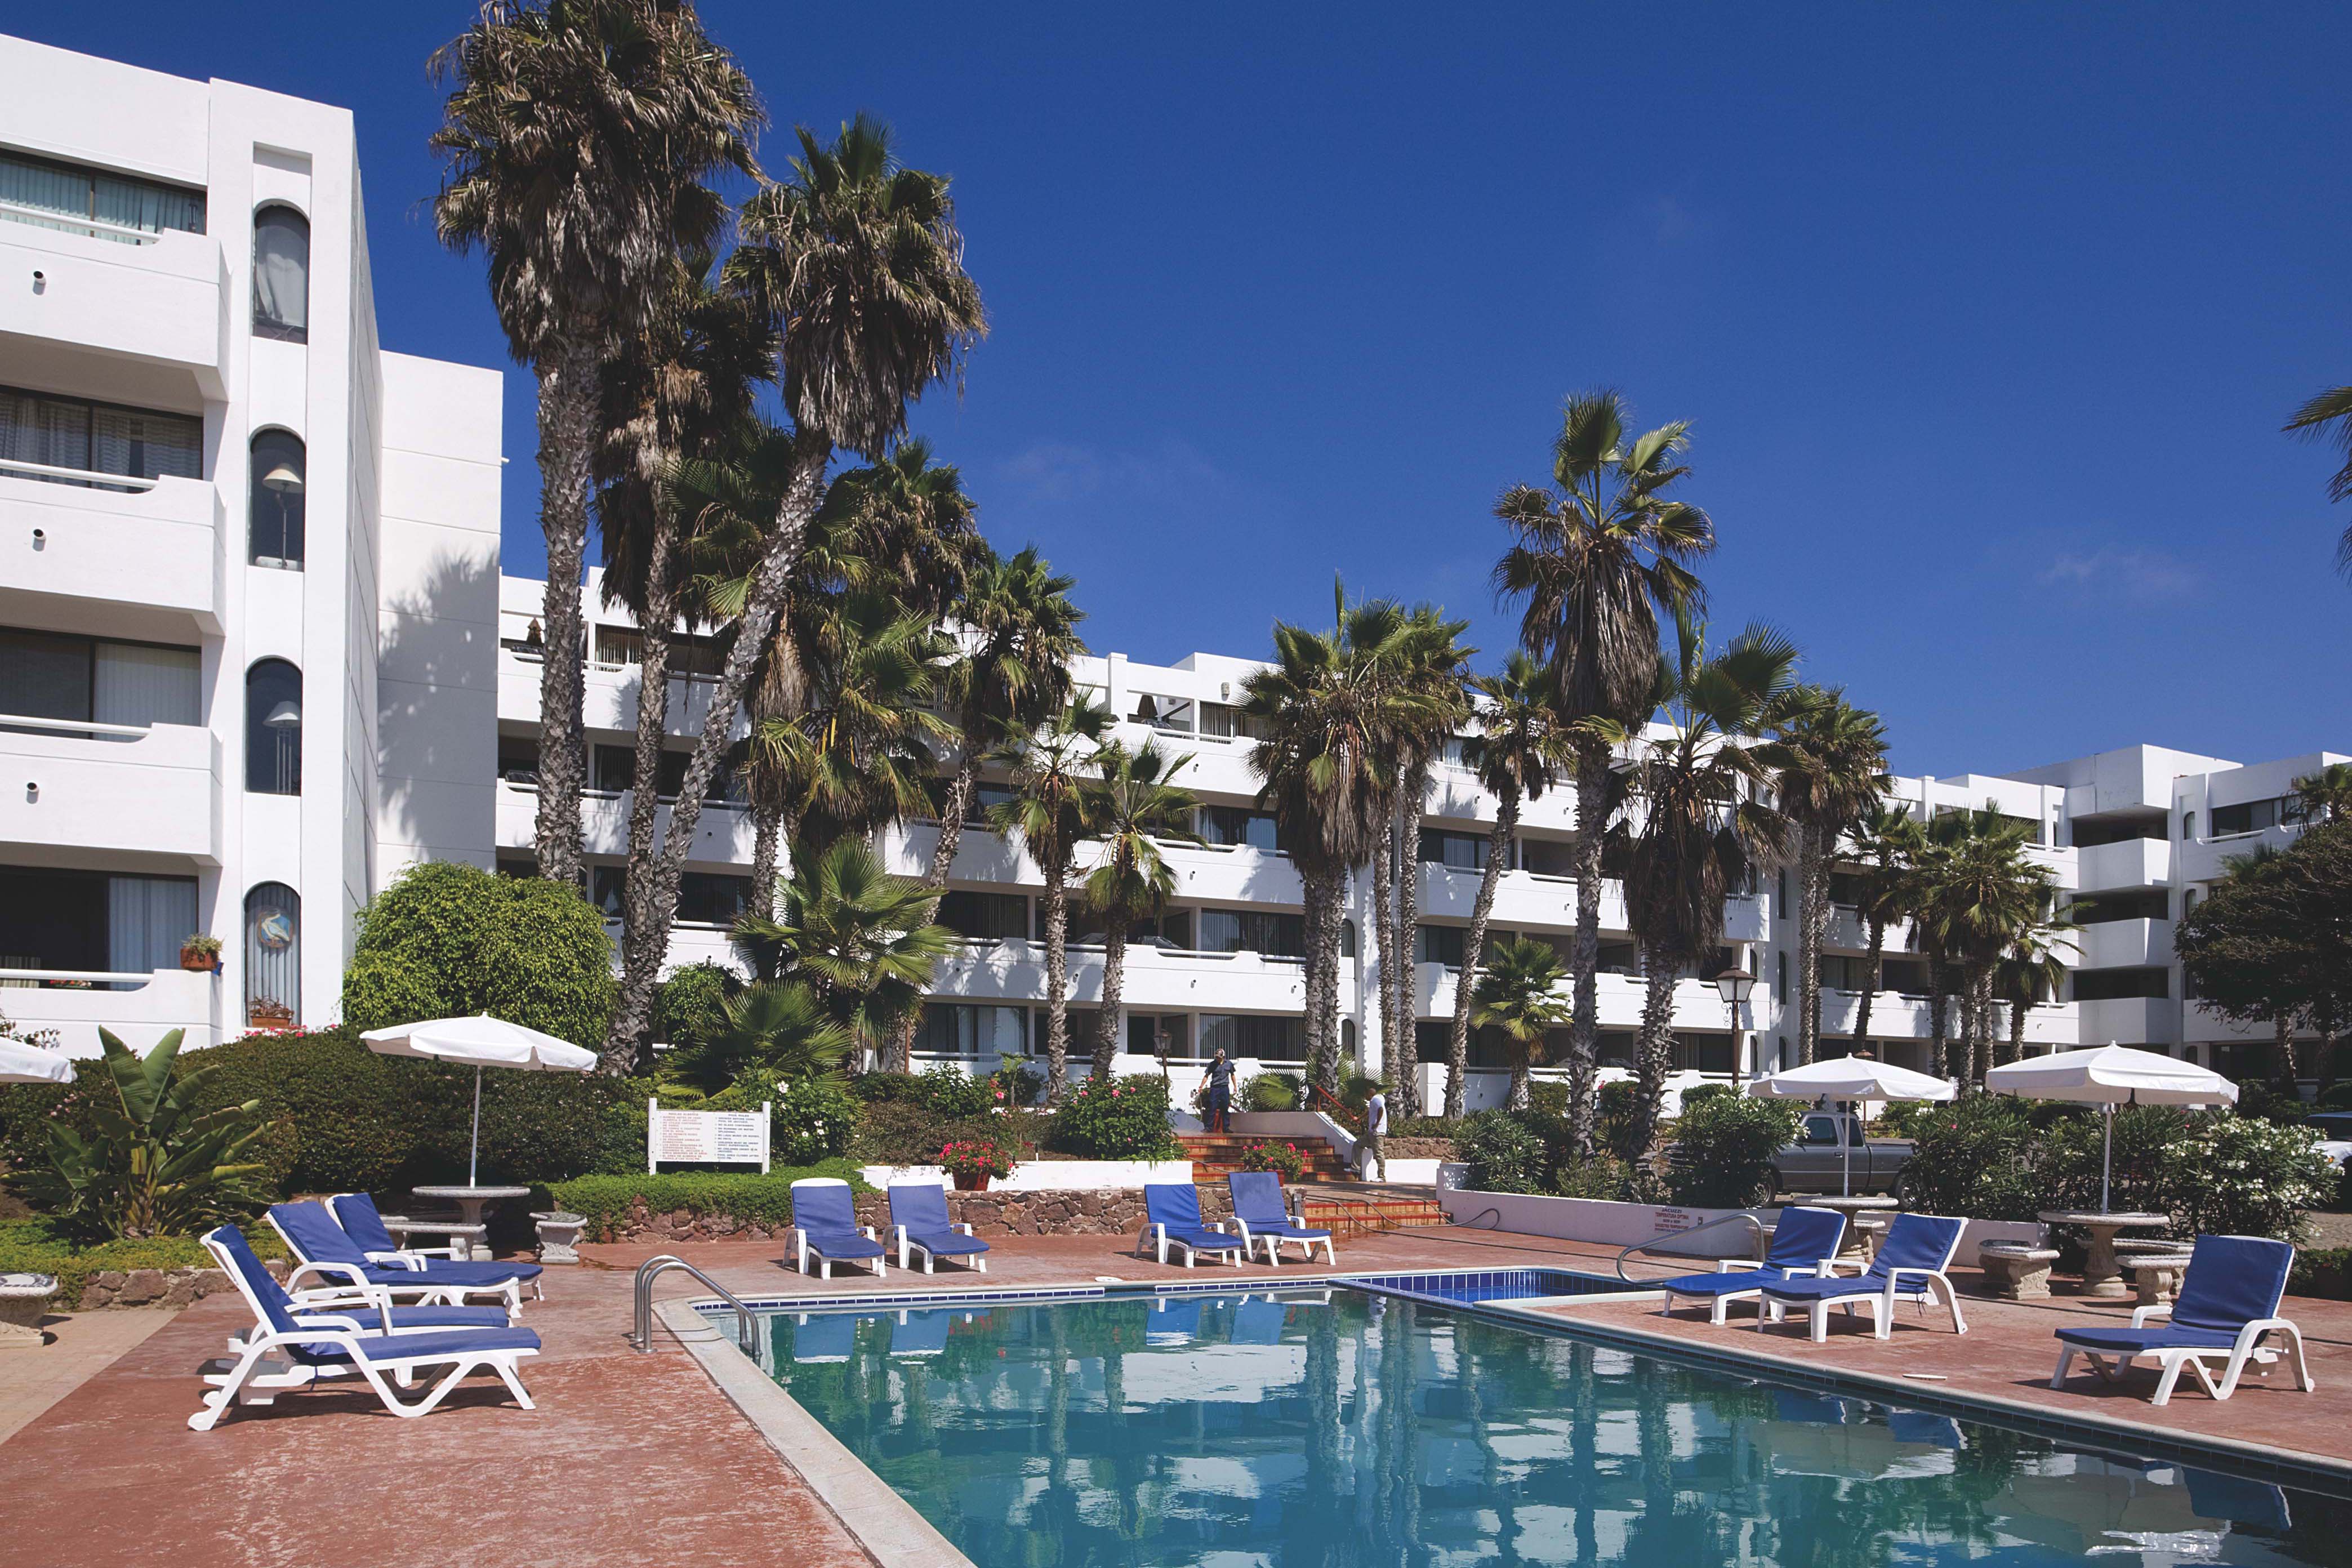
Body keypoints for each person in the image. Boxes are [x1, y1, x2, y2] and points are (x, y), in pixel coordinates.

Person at [1205, 1047, 1234, 1134]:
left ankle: (1226, 1128)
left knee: (1225, 1107)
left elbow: (1232, 1075)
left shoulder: (1229, 1064)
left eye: (1219, 1057)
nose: (1217, 1058)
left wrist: (1235, 1086)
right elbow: (1206, 1075)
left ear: (1223, 1057)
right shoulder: (1212, 1065)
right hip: (1215, 1087)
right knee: (1212, 1107)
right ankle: (1209, 1128)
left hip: (1225, 1088)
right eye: (1216, 1057)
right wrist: (1201, 1086)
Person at [1362, 1085, 1388, 1181]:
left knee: (1378, 1153)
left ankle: (1382, 1177)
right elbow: (1370, 1112)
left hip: (1377, 1132)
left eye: (1366, 1095)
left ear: (1370, 1094)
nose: (1365, 1097)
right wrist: (1359, 1118)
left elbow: (1381, 1109)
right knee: (1358, 1144)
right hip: (1372, 1132)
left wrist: (1377, 1124)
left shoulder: (1375, 1100)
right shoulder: (1375, 1101)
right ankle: (1355, 1168)